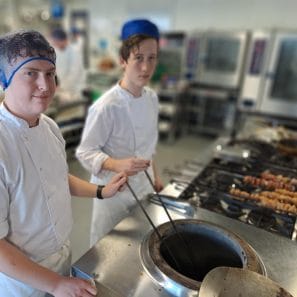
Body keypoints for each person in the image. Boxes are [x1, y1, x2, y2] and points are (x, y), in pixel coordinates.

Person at [0, 29, 127, 297]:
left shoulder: (49, 127)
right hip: (22, 280)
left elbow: (57, 176)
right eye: (31, 73)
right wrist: (55, 284)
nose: (46, 85)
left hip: (62, 258)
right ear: (5, 78)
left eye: (50, 73)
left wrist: (102, 191)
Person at [76, 19, 163, 246]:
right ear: (123, 60)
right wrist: (116, 164)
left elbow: (148, 147)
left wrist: (157, 176)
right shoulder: (107, 106)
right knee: (109, 251)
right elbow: (85, 152)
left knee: (140, 247)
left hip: (145, 187)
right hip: (114, 193)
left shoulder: (152, 99)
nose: (145, 68)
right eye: (138, 58)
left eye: (151, 58)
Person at [49, 27, 86, 101]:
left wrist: (61, 86)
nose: (55, 44)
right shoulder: (56, 51)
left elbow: (74, 73)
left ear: (64, 40)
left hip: (75, 91)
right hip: (62, 90)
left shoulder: (75, 52)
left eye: (56, 42)